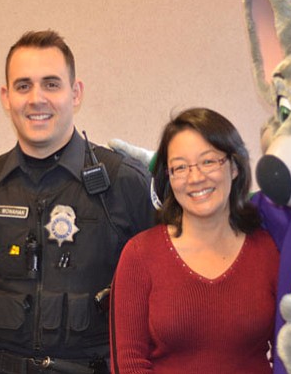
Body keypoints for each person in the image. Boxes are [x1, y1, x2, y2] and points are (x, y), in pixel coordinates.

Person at [0, 30, 156, 374]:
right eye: (23, 86)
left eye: (51, 84)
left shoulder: (124, 183)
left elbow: (163, 294)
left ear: (75, 94)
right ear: (6, 97)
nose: (37, 99)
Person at [109, 107, 279, 374]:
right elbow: (130, 362)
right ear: (170, 177)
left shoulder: (268, 249)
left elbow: (287, 352)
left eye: (209, 161)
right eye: (180, 167)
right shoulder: (140, 254)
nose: (195, 178)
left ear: (234, 166)